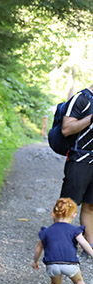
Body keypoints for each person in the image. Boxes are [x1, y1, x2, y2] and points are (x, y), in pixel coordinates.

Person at [32, 197, 93, 284]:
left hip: (52, 264)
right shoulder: (74, 230)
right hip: (70, 264)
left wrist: (35, 261)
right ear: (74, 215)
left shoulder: (47, 231)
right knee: (78, 281)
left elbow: (39, 248)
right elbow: (84, 243)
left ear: (53, 214)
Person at [60, 84, 93, 243]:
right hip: (80, 158)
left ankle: (89, 244)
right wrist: (90, 118)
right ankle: (60, 241)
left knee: (91, 205)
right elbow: (66, 129)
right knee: (68, 204)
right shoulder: (81, 99)